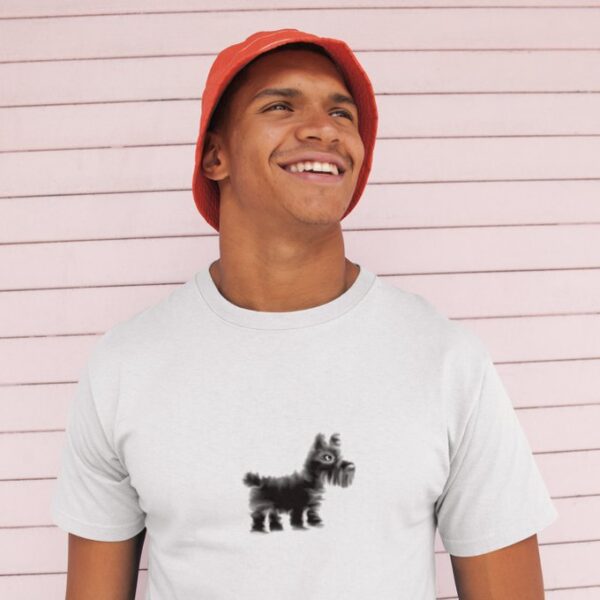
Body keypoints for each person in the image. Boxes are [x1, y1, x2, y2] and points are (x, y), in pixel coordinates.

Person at [51, 29, 558, 599]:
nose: (325, 129)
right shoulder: (125, 366)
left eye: (342, 114)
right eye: (279, 106)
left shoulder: (446, 361)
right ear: (215, 156)